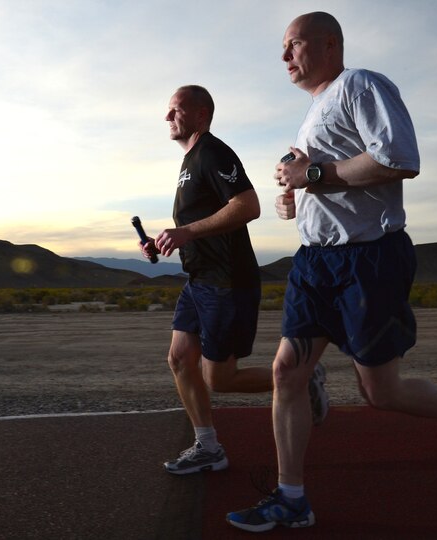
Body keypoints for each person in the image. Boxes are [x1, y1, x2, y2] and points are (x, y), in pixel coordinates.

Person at [226, 13, 437, 532]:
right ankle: (292, 498)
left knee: (380, 391)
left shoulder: (360, 84)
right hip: (315, 261)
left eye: (293, 45)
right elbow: (324, 178)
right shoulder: (313, 111)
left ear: (329, 43)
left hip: (370, 258)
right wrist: (295, 196)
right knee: (287, 372)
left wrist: (311, 174)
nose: (284, 57)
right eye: (282, 49)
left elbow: (399, 159)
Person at [141, 85, 330, 475]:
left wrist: (188, 231)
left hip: (227, 282)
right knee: (178, 359)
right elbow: (200, 223)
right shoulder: (191, 161)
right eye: (168, 110)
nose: (167, 117)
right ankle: (208, 447)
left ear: (201, 115)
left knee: (219, 379)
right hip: (199, 280)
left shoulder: (213, 152)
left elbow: (248, 205)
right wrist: (166, 242)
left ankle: (303, 378)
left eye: (176, 110)